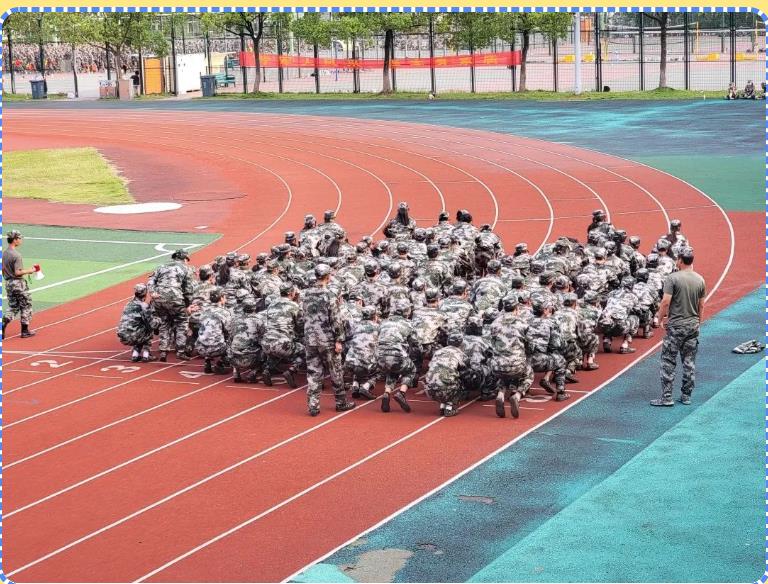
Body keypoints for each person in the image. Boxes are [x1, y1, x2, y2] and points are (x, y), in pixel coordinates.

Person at [652, 247, 705, 407]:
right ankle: (686, 396)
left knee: (668, 361)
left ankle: (667, 397)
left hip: (676, 326)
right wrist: (698, 322)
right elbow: (701, 305)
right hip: (692, 326)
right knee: (689, 362)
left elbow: (665, 302)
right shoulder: (700, 280)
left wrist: (659, 318)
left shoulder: (672, 278)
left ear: (680, 261)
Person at [302, 264, 354, 416]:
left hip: (310, 339)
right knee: (335, 372)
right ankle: (341, 402)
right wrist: (339, 339)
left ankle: (313, 405)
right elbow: (336, 319)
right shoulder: (329, 295)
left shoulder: (305, 294)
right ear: (328, 277)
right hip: (327, 339)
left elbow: (302, 315)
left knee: (313, 372)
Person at [2, 230, 40, 338]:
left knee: (13, 307)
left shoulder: (4, 253)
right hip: (18, 283)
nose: (21, 240)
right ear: (15, 240)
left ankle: (3, 324)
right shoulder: (16, 255)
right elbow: (17, 272)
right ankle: (25, 331)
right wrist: (30, 270)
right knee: (26, 305)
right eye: (19, 238)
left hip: (8, 283)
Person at [425, 331, 467, 417]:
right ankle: (449, 408)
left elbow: (430, 365)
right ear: (461, 343)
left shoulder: (438, 351)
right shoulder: (460, 354)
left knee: (442, 377)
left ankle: (442, 406)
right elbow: (465, 368)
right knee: (462, 380)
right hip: (445, 390)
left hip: (429, 390)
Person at [117, 284, 158, 362]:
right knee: (147, 329)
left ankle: (135, 355)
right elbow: (152, 324)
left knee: (139, 328)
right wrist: (159, 320)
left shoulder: (128, 304)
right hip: (132, 337)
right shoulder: (144, 306)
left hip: (122, 335)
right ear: (145, 293)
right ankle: (146, 355)